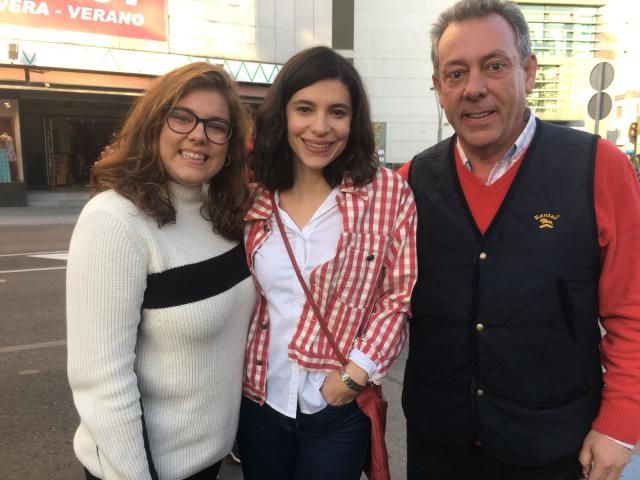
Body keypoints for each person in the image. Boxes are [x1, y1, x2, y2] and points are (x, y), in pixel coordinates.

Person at [400, 1, 640, 479]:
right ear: (438, 89)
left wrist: (620, 425)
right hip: (437, 444)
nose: (474, 89)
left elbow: (631, 310)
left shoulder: (598, 168)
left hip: (553, 447)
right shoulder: (411, 182)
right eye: (455, 73)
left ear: (527, 72)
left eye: (494, 66)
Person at [66, 62, 256, 480]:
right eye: (182, 117)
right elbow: (101, 379)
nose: (198, 135)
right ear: (154, 125)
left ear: (229, 145)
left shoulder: (222, 213)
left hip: (209, 461)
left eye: (216, 125)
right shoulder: (114, 220)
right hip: (142, 469)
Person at [238, 46, 417, 480]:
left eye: (337, 112)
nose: (320, 127)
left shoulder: (387, 194)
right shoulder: (254, 196)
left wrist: (356, 375)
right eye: (305, 109)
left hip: (336, 406)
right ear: (283, 115)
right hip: (260, 398)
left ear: (353, 121)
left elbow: (397, 296)